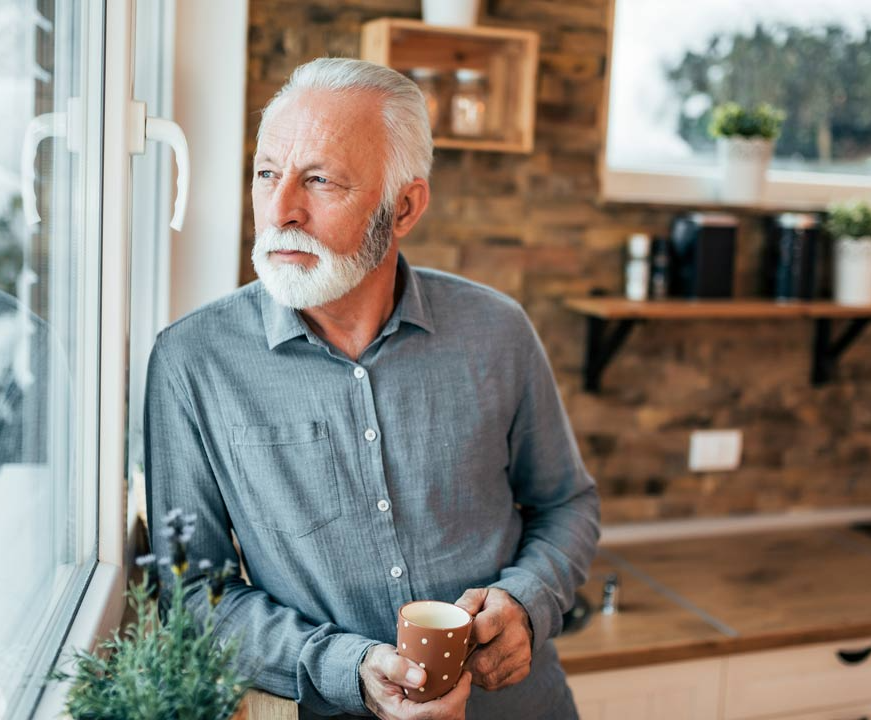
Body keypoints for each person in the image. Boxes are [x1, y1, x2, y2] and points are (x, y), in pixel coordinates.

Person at [145, 57, 599, 720]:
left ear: (405, 206)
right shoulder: (191, 362)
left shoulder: (497, 331)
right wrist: (346, 667)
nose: (280, 211)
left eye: (320, 180)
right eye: (267, 173)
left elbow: (567, 505)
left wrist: (528, 601)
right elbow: (191, 594)